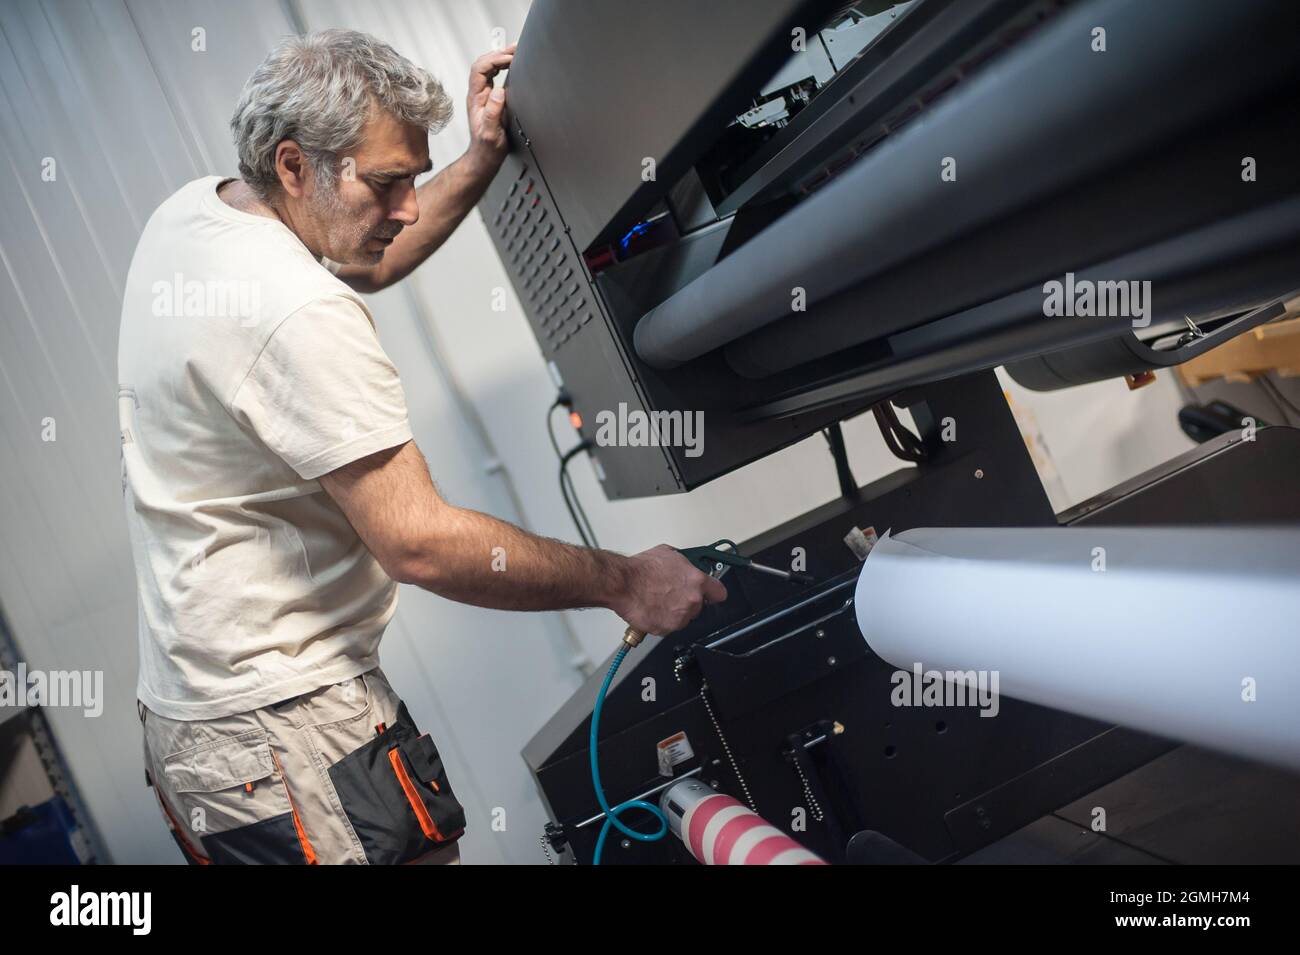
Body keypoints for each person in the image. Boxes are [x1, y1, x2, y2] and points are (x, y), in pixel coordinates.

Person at [117, 29, 725, 865]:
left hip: (200, 728)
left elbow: (365, 259)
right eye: (388, 181)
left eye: (414, 176)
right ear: (294, 165)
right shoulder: (294, 314)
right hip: (289, 730)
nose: (406, 205)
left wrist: (478, 159)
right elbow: (421, 543)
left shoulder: (198, 214)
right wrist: (625, 582)